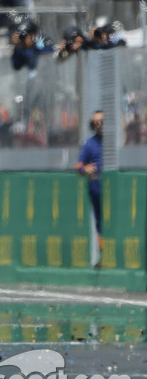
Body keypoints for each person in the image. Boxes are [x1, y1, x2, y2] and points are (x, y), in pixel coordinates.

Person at [76, 110, 103, 267]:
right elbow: (79, 166)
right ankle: (103, 256)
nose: (99, 125)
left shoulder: (114, 142)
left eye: (102, 121)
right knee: (100, 224)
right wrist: (85, 169)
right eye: (96, 123)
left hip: (114, 190)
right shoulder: (89, 144)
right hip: (96, 190)